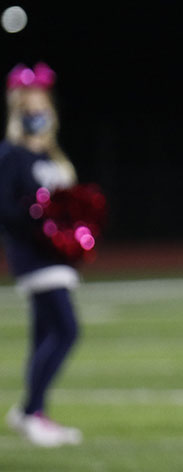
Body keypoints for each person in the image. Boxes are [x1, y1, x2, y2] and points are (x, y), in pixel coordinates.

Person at [1, 62, 83, 447]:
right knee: (66, 330)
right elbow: (7, 208)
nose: (37, 112)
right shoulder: (12, 155)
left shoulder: (52, 154)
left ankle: (31, 411)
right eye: (29, 106)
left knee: (43, 336)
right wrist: (41, 220)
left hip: (57, 256)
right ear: (18, 110)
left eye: (42, 105)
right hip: (35, 257)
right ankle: (32, 410)